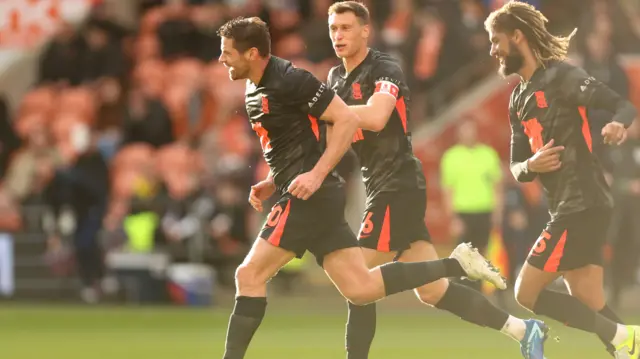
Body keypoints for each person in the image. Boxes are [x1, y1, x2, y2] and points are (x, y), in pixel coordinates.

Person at [217, 16, 505, 359]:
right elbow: (300, 141)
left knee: (248, 274)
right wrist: (272, 179)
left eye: (227, 53)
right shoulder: (256, 85)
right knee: (361, 288)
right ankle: (456, 265)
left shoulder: (293, 80)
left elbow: (346, 119)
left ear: (251, 53)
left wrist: (316, 174)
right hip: (310, 192)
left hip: (312, 196)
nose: (222, 60)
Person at [325, 2, 546, 359]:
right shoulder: (335, 80)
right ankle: (522, 329)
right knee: (432, 291)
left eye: (346, 27)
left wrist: (326, 110)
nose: (338, 35)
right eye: (334, 28)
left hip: (396, 183)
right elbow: (334, 136)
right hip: (379, 183)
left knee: (358, 280)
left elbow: (379, 117)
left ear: (366, 31)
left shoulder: (384, 68)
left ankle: (458, 264)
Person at [485, 1, 640, 358]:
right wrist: (533, 165)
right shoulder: (517, 99)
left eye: (496, 40)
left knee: (526, 293)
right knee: (590, 302)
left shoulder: (563, 76)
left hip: (582, 201)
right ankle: (624, 345)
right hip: (568, 205)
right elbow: (516, 167)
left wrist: (618, 123)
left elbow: (623, 104)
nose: (492, 49)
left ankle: (622, 335)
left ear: (517, 36)